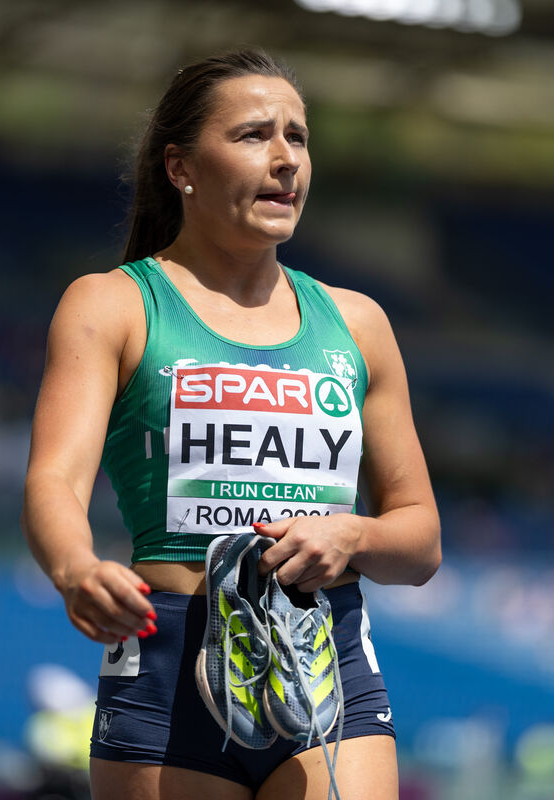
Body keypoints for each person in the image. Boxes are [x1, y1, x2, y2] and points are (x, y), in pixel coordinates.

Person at [22, 48, 440, 800]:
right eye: (254, 136)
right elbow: (54, 478)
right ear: (181, 167)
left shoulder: (359, 324)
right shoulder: (110, 306)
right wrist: (74, 569)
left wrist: (352, 533)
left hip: (324, 659)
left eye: (299, 137)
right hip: (165, 668)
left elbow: (421, 541)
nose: (287, 160)